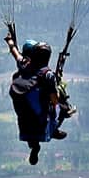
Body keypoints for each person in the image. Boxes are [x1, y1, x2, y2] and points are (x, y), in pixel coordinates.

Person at [5, 24, 75, 165]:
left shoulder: (24, 65)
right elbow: (54, 100)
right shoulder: (47, 75)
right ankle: (54, 130)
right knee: (63, 108)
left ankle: (34, 146)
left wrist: (10, 41)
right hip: (40, 116)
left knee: (32, 115)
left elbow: (15, 52)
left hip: (24, 115)